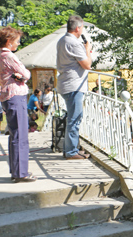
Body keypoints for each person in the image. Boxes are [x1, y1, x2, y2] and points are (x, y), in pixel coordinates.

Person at [0, 26, 36, 182]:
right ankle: (21, 173)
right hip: (15, 96)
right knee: (21, 135)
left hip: (7, 96)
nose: (18, 44)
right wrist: (22, 76)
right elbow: (25, 74)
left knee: (14, 135)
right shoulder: (9, 56)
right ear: (9, 41)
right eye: (17, 41)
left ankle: (16, 171)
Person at [57, 15, 92, 160]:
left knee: (73, 118)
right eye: (82, 28)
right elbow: (87, 65)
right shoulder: (74, 43)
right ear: (78, 28)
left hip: (66, 83)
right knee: (75, 118)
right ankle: (71, 152)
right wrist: (88, 50)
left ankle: (73, 149)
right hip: (74, 85)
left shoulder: (62, 40)